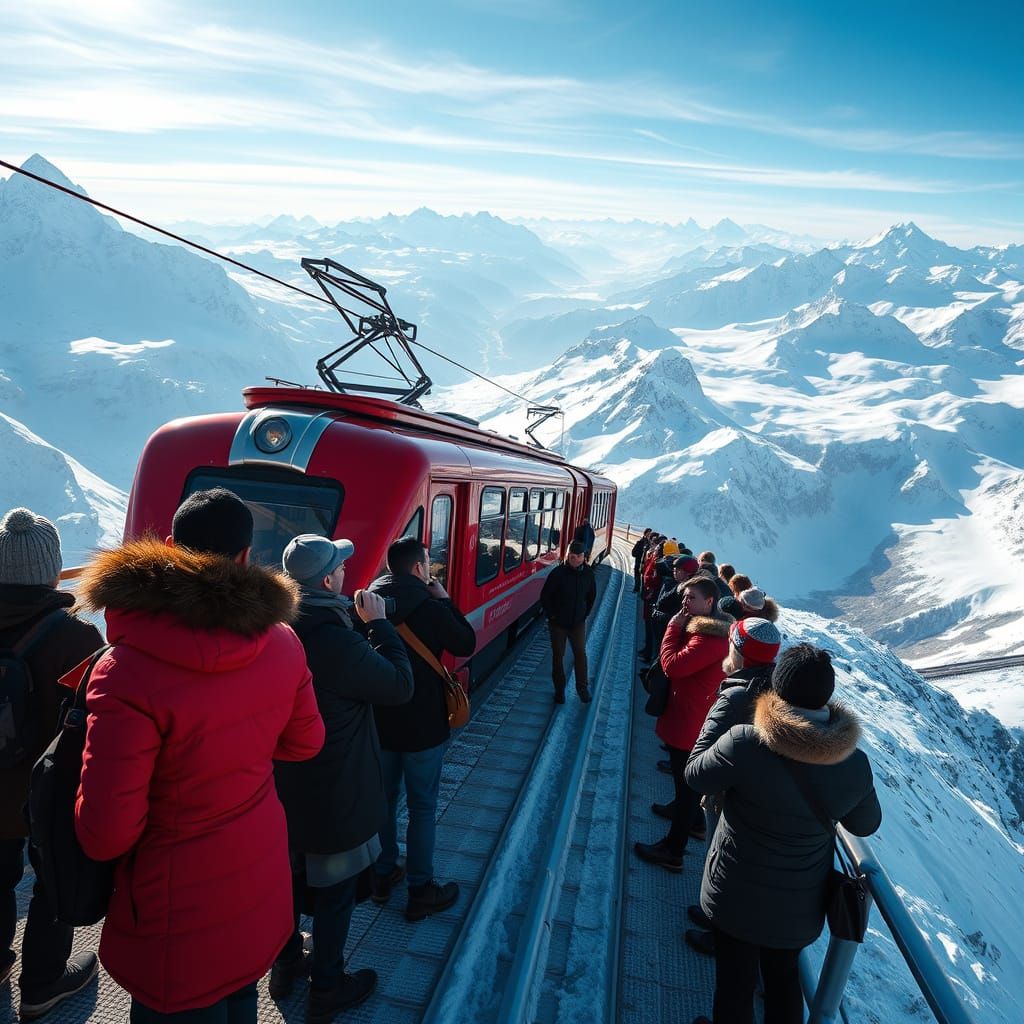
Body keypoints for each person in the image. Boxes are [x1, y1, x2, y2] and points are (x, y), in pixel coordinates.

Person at [73, 488, 326, 1021]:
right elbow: (306, 742)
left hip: (174, 913)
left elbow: (105, 833)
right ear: (244, 556)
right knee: (239, 998)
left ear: (169, 545)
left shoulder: (125, 669)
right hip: (257, 875)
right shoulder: (281, 640)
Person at [685, 643, 882, 1024]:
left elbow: (695, 775)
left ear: (776, 687)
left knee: (735, 983)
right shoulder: (852, 761)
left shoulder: (745, 741)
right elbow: (865, 825)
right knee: (783, 980)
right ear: (827, 695)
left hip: (734, 891)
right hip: (799, 904)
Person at [273, 535, 415, 1021]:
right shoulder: (337, 639)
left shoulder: (274, 627)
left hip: (279, 788)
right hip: (333, 790)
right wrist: (379, 626)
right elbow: (399, 686)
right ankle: (328, 986)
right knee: (334, 895)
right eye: (340, 569)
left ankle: (285, 962)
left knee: (286, 881)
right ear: (329, 581)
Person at [0, 508, 104, 1019]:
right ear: (50, 568)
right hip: (44, 791)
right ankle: (41, 986)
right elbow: (93, 718)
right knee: (52, 879)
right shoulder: (76, 639)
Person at [369, 537, 476, 922]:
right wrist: (445, 599)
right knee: (422, 808)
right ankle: (419, 890)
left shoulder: (367, 603)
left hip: (379, 725)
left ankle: (381, 876)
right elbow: (466, 642)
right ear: (418, 568)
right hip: (424, 728)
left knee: (383, 801)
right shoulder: (431, 606)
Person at [683, 617, 782, 959]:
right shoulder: (774, 686)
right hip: (755, 796)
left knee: (719, 859)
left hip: (726, 794)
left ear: (739, 653)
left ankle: (718, 930)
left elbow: (701, 760)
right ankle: (715, 919)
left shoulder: (737, 695)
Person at [634, 576, 732, 872]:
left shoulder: (709, 638)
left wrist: (673, 628)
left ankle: (674, 849)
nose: (684, 603)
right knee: (684, 782)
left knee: (687, 783)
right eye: (684, 597)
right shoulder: (711, 632)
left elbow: (672, 666)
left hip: (689, 720)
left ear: (709, 602)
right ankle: (692, 819)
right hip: (692, 713)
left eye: (691, 598)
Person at [540, 540, 597, 705]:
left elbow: (591, 596)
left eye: (578, 557)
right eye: (572, 557)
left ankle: (582, 688)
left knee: (580, 653)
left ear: (584, 557)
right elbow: (545, 596)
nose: (575, 560)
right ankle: (559, 691)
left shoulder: (588, 574)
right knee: (558, 657)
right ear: (568, 556)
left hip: (577, 623)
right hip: (558, 624)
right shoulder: (558, 573)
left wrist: (584, 615)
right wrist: (552, 616)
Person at [630, 528, 651, 593]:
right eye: (648, 533)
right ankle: (637, 588)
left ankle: (640, 590)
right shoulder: (640, 542)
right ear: (646, 533)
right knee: (638, 575)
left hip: (646, 563)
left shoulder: (650, 543)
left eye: (650, 533)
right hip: (639, 562)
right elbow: (633, 553)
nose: (649, 535)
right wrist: (641, 554)